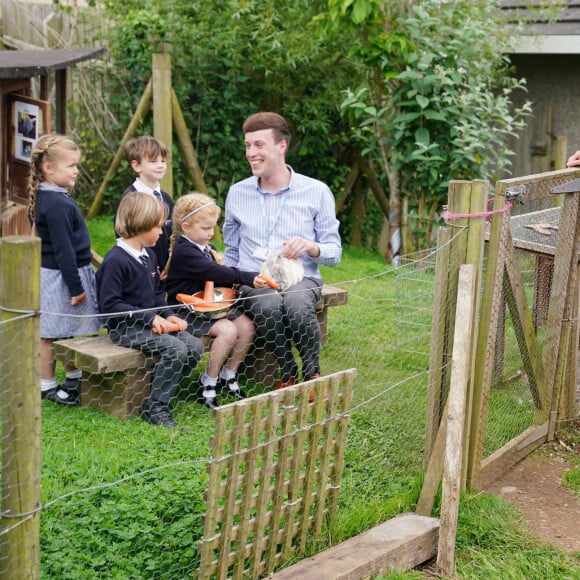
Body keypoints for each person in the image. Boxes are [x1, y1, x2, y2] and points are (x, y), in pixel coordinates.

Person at [222, 112, 342, 389]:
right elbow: (231, 248)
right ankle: (287, 372)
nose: (251, 153)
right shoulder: (237, 193)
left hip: (302, 277)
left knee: (297, 305)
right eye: (248, 146)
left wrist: (311, 247)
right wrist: (228, 285)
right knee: (269, 303)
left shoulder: (317, 191)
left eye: (259, 145)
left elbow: (334, 253)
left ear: (281, 146)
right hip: (255, 279)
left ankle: (311, 375)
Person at [96, 191, 204, 427]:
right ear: (139, 225)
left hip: (151, 321)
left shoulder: (149, 256)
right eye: (157, 227)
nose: (161, 232)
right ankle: (155, 406)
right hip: (126, 327)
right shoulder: (116, 261)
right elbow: (110, 305)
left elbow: (156, 294)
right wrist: (149, 318)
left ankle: (161, 388)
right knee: (175, 349)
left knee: (194, 346)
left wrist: (169, 315)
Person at [165, 193, 267, 407]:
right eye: (205, 228)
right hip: (186, 309)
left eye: (213, 227)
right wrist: (247, 277)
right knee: (228, 331)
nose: (211, 233)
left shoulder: (202, 247)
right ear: (186, 227)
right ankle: (207, 382)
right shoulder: (185, 251)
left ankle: (228, 374)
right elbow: (212, 271)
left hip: (210, 305)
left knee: (247, 327)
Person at [27, 134, 101, 406]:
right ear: (49, 168)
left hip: (64, 276)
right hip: (61, 278)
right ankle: (47, 385)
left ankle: (74, 378)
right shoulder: (56, 204)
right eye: (71, 165)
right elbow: (63, 251)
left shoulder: (51, 196)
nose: (76, 171)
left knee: (67, 329)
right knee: (51, 333)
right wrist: (76, 287)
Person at [114, 135, 174, 278]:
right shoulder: (129, 199)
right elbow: (124, 236)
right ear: (136, 165)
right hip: (142, 269)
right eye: (153, 161)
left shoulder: (166, 198)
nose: (160, 165)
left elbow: (173, 234)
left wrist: (170, 263)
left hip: (167, 270)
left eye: (163, 161)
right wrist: (151, 265)